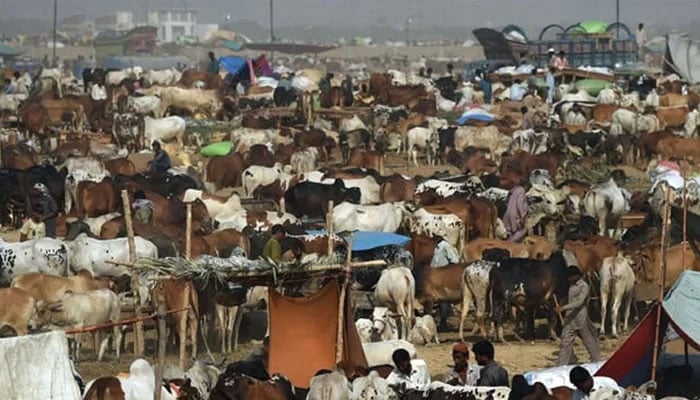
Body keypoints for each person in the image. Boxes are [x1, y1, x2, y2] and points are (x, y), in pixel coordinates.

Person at [556, 266, 602, 366]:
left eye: (570, 277)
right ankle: (561, 365)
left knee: (589, 341)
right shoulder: (571, 286)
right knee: (565, 342)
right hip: (570, 319)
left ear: (576, 276)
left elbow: (579, 302)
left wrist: (563, 308)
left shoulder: (584, 286)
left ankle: (597, 362)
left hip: (581, 318)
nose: (568, 279)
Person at [430, 237, 460, 330]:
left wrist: (449, 272)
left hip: (445, 275)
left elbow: (454, 260)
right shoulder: (434, 247)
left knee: (444, 299)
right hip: (435, 275)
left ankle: (443, 321)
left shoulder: (445, 246)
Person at [502, 174, 528, 243]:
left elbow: (506, 202)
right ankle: (509, 243)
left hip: (507, 214)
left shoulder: (513, 190)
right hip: (515, 215)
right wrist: (523, 216)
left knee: (509, 232)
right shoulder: (521, 191)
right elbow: (520, 204)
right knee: (522, 230)